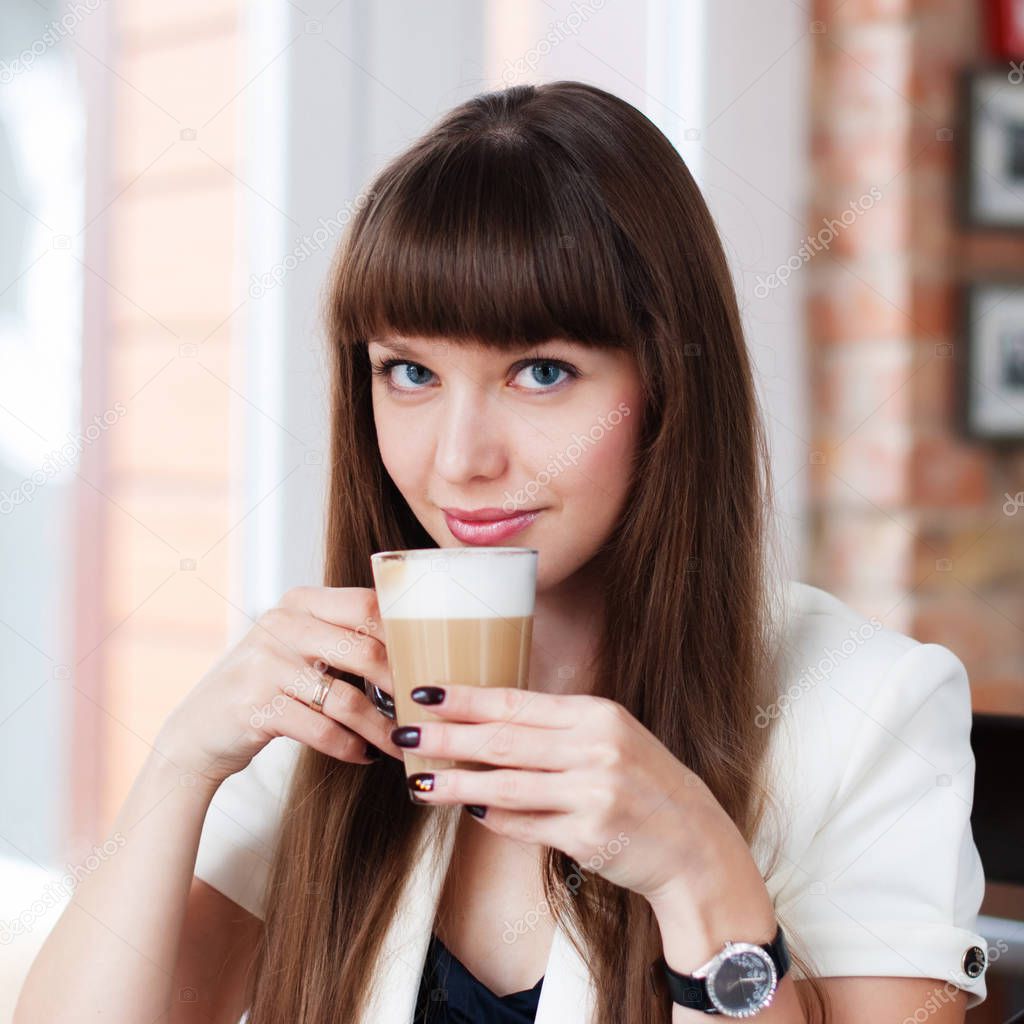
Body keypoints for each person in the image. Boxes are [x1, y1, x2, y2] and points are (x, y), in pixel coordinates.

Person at [15, 80, 989, 1024]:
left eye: (539, 371)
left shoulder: (870, 709)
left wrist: (696, 869)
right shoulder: (347, 696)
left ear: (665, 385)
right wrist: (184, 758)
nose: (457, 459)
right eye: (409, 371)